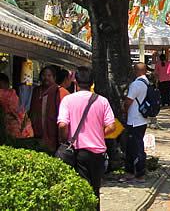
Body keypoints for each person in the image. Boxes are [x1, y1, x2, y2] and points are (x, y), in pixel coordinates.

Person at [57, 66, 115, 208]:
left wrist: (64, 139)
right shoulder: (102, 101)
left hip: (77, 152)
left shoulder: (68, 100)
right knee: (95, 189)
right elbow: (112, 127)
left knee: (79, 189)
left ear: (75, 81)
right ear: (92, 82)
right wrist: (98, 135)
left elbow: (63, 125)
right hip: (98, 153)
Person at [30, 65, 69, 152]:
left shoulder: (61, 92)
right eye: (44, 75)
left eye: (49, 76)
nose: (46, 78)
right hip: (37, 134)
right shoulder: (36, 91)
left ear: (54, 77)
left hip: (53, 135)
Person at [123, 63, 149, 182]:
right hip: (142, 119)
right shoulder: (147, 83)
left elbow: (128, 101)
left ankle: (137, 173)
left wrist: (124, 110)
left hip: (134, 120)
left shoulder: (136, 84)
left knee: (134, 147)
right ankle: (137, 171)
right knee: (137, 145)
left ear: (137, 71)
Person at [0, 73, 33, 139]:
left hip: (15, 127)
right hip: (24, 129)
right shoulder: (13, 94)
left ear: (6, 84)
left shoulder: (7, 94)